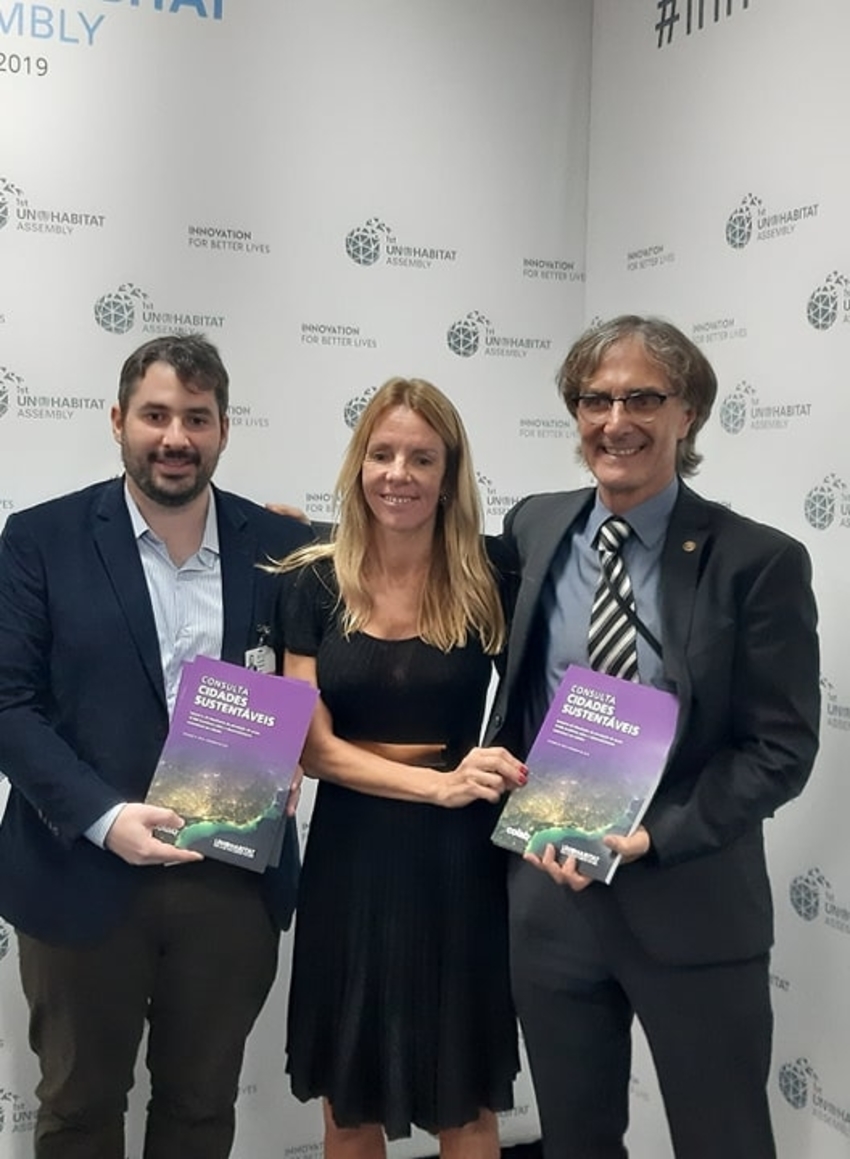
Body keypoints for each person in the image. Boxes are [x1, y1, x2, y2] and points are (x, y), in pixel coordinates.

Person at [484, 316, 820, 1159]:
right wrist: (287, 539)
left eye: (642, 397)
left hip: (693, 902)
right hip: (551, 894)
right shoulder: (534, 525)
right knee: (575, 1141)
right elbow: (421, 568)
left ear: (689, 411)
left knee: (725, 1140)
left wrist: (652, 837)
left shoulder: (758, 561)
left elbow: (781, 750)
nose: (614, 419)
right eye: (594, 399)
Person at [0, 334, 313, 1159]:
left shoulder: (281, 547)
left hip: (231, 882)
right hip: (81, 871)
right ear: (118, 421)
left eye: (197, 418)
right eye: (156, 414)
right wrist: (104, 817)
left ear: (223, 430)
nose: (176, 436)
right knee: (76, 1110)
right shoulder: (39, 538)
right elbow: (8, 702)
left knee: (203, 1108)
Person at [276, 377, 525, 1159]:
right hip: (349, 855)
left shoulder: (493, 575)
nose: (399, 473)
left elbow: (542, 694)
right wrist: (440, 784)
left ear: (450, 473)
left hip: (460, 866)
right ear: (357, 464)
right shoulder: (312, 578)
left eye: (422, 457)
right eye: (381, 453)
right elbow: (311, 746)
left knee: (466, 1098)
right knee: (347, 1102)